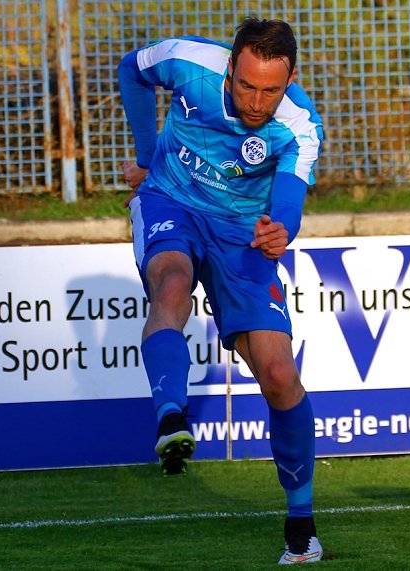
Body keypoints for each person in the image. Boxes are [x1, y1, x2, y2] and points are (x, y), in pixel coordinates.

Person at [117, 18, 324, 564]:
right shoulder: (188, 63)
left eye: (271, 90)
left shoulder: (299, 126)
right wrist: (144, 157)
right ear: (230, 67)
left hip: (243, 234)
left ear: (290, 80)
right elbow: (131, 71)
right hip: (171, 201)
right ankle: (171, 416)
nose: (257, 102)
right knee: (172, 283)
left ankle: (301, 529)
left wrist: (281, 229)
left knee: (280, 374)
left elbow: (289, 199)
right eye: (247, 85)